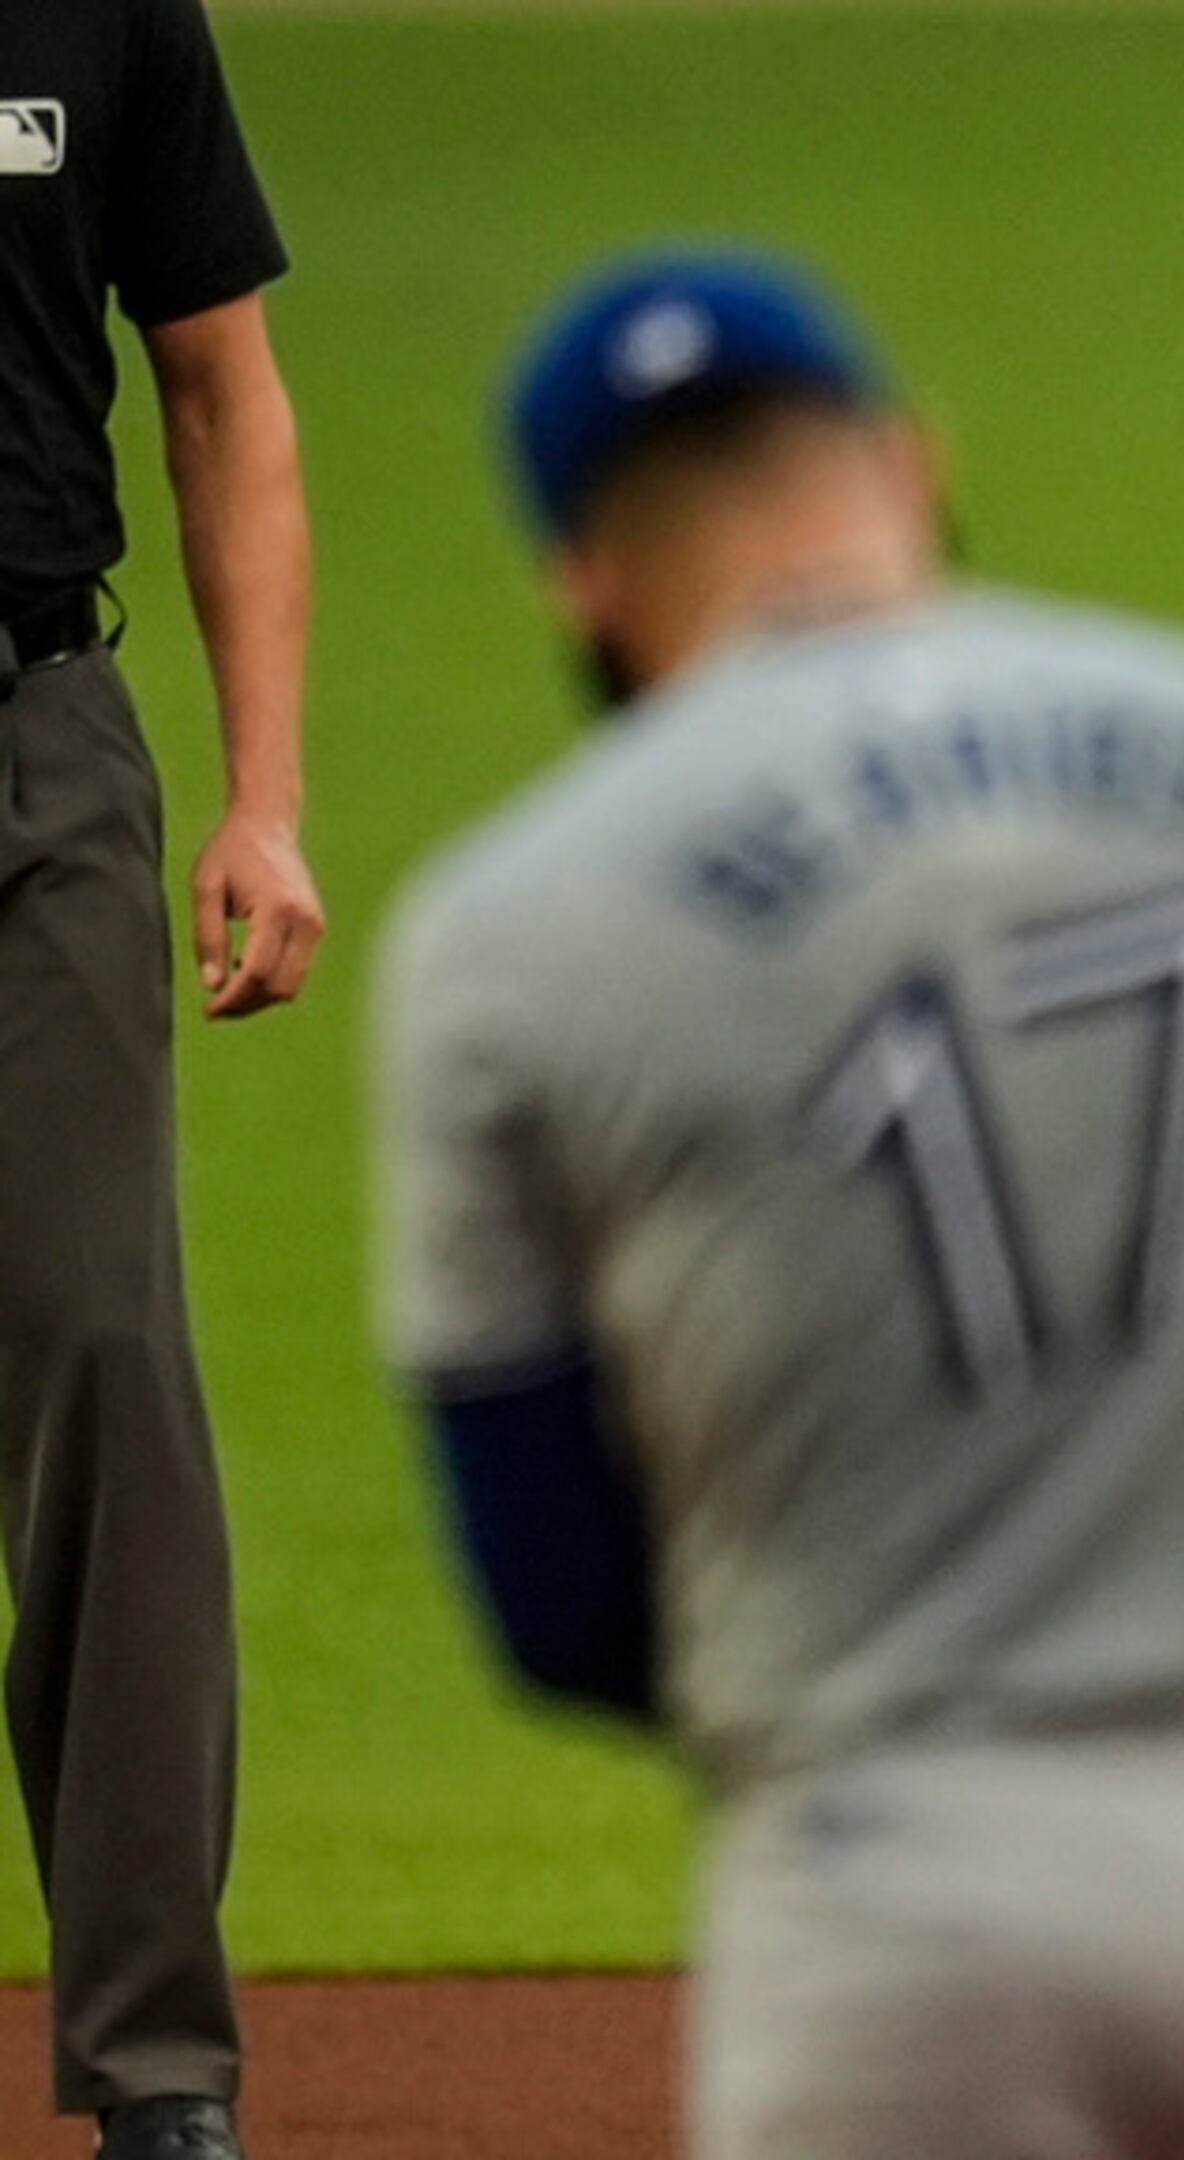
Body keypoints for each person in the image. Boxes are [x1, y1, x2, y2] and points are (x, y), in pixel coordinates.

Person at [371, 253, 1184, 2160]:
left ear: (578, 584)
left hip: (885, 1877)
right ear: (911, 462)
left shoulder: (509, 928)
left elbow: (559, 1597)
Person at [0, 3, 324, 2154]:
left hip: (39, 744)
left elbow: (223, 389)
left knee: (109, 1354)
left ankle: (157, 2080)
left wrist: (262, 797)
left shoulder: (100, 0)